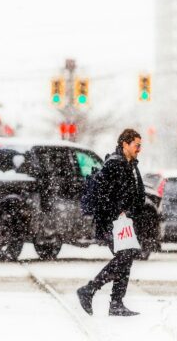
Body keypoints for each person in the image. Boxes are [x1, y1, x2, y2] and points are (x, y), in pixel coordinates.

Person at [77, 128, 145, 317]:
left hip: (122, 222)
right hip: (111, 222)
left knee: (126, 257)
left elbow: (132, 193)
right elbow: (103, 195)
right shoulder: (114, 164)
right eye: (136, 145)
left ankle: (116, 302)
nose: (139, 149)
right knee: (124, 256)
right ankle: (89, 290)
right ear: (125, 144)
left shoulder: (129, 164)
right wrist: (117, 212)